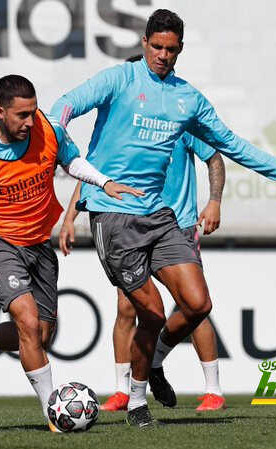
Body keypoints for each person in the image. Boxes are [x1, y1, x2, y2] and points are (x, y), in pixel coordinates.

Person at [51, 9, 276, 428]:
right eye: (156, 46)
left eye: (171, 49)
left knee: (198, 303)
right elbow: (65, 105)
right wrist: (61, 141)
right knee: (149, 312)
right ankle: (136, 403)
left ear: (180, 49)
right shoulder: (119, 80)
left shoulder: (188, 99)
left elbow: (229, 144)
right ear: (144, 43)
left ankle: (155, 361)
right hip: (114, 214)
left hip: (159, 214)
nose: (163, 55)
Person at [0, 75, 142, 432]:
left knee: (40, 335)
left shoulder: (47, 129)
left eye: (33, 112)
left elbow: (72, 161)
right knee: (29, 323)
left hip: (38, 244)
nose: (30, 122)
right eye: (22, 115)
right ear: (0, 112)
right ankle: (54, 414)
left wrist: (104, 182)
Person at [60, 129, 226, 412]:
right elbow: (93, 171)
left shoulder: (182, 122)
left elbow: (214, 157)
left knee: (195, 306)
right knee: (127, 307)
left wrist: (215, 201)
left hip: (178, 224)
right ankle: (123, 391)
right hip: (131, 225)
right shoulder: (123, 126)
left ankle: (211, 389)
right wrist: (69, 218)